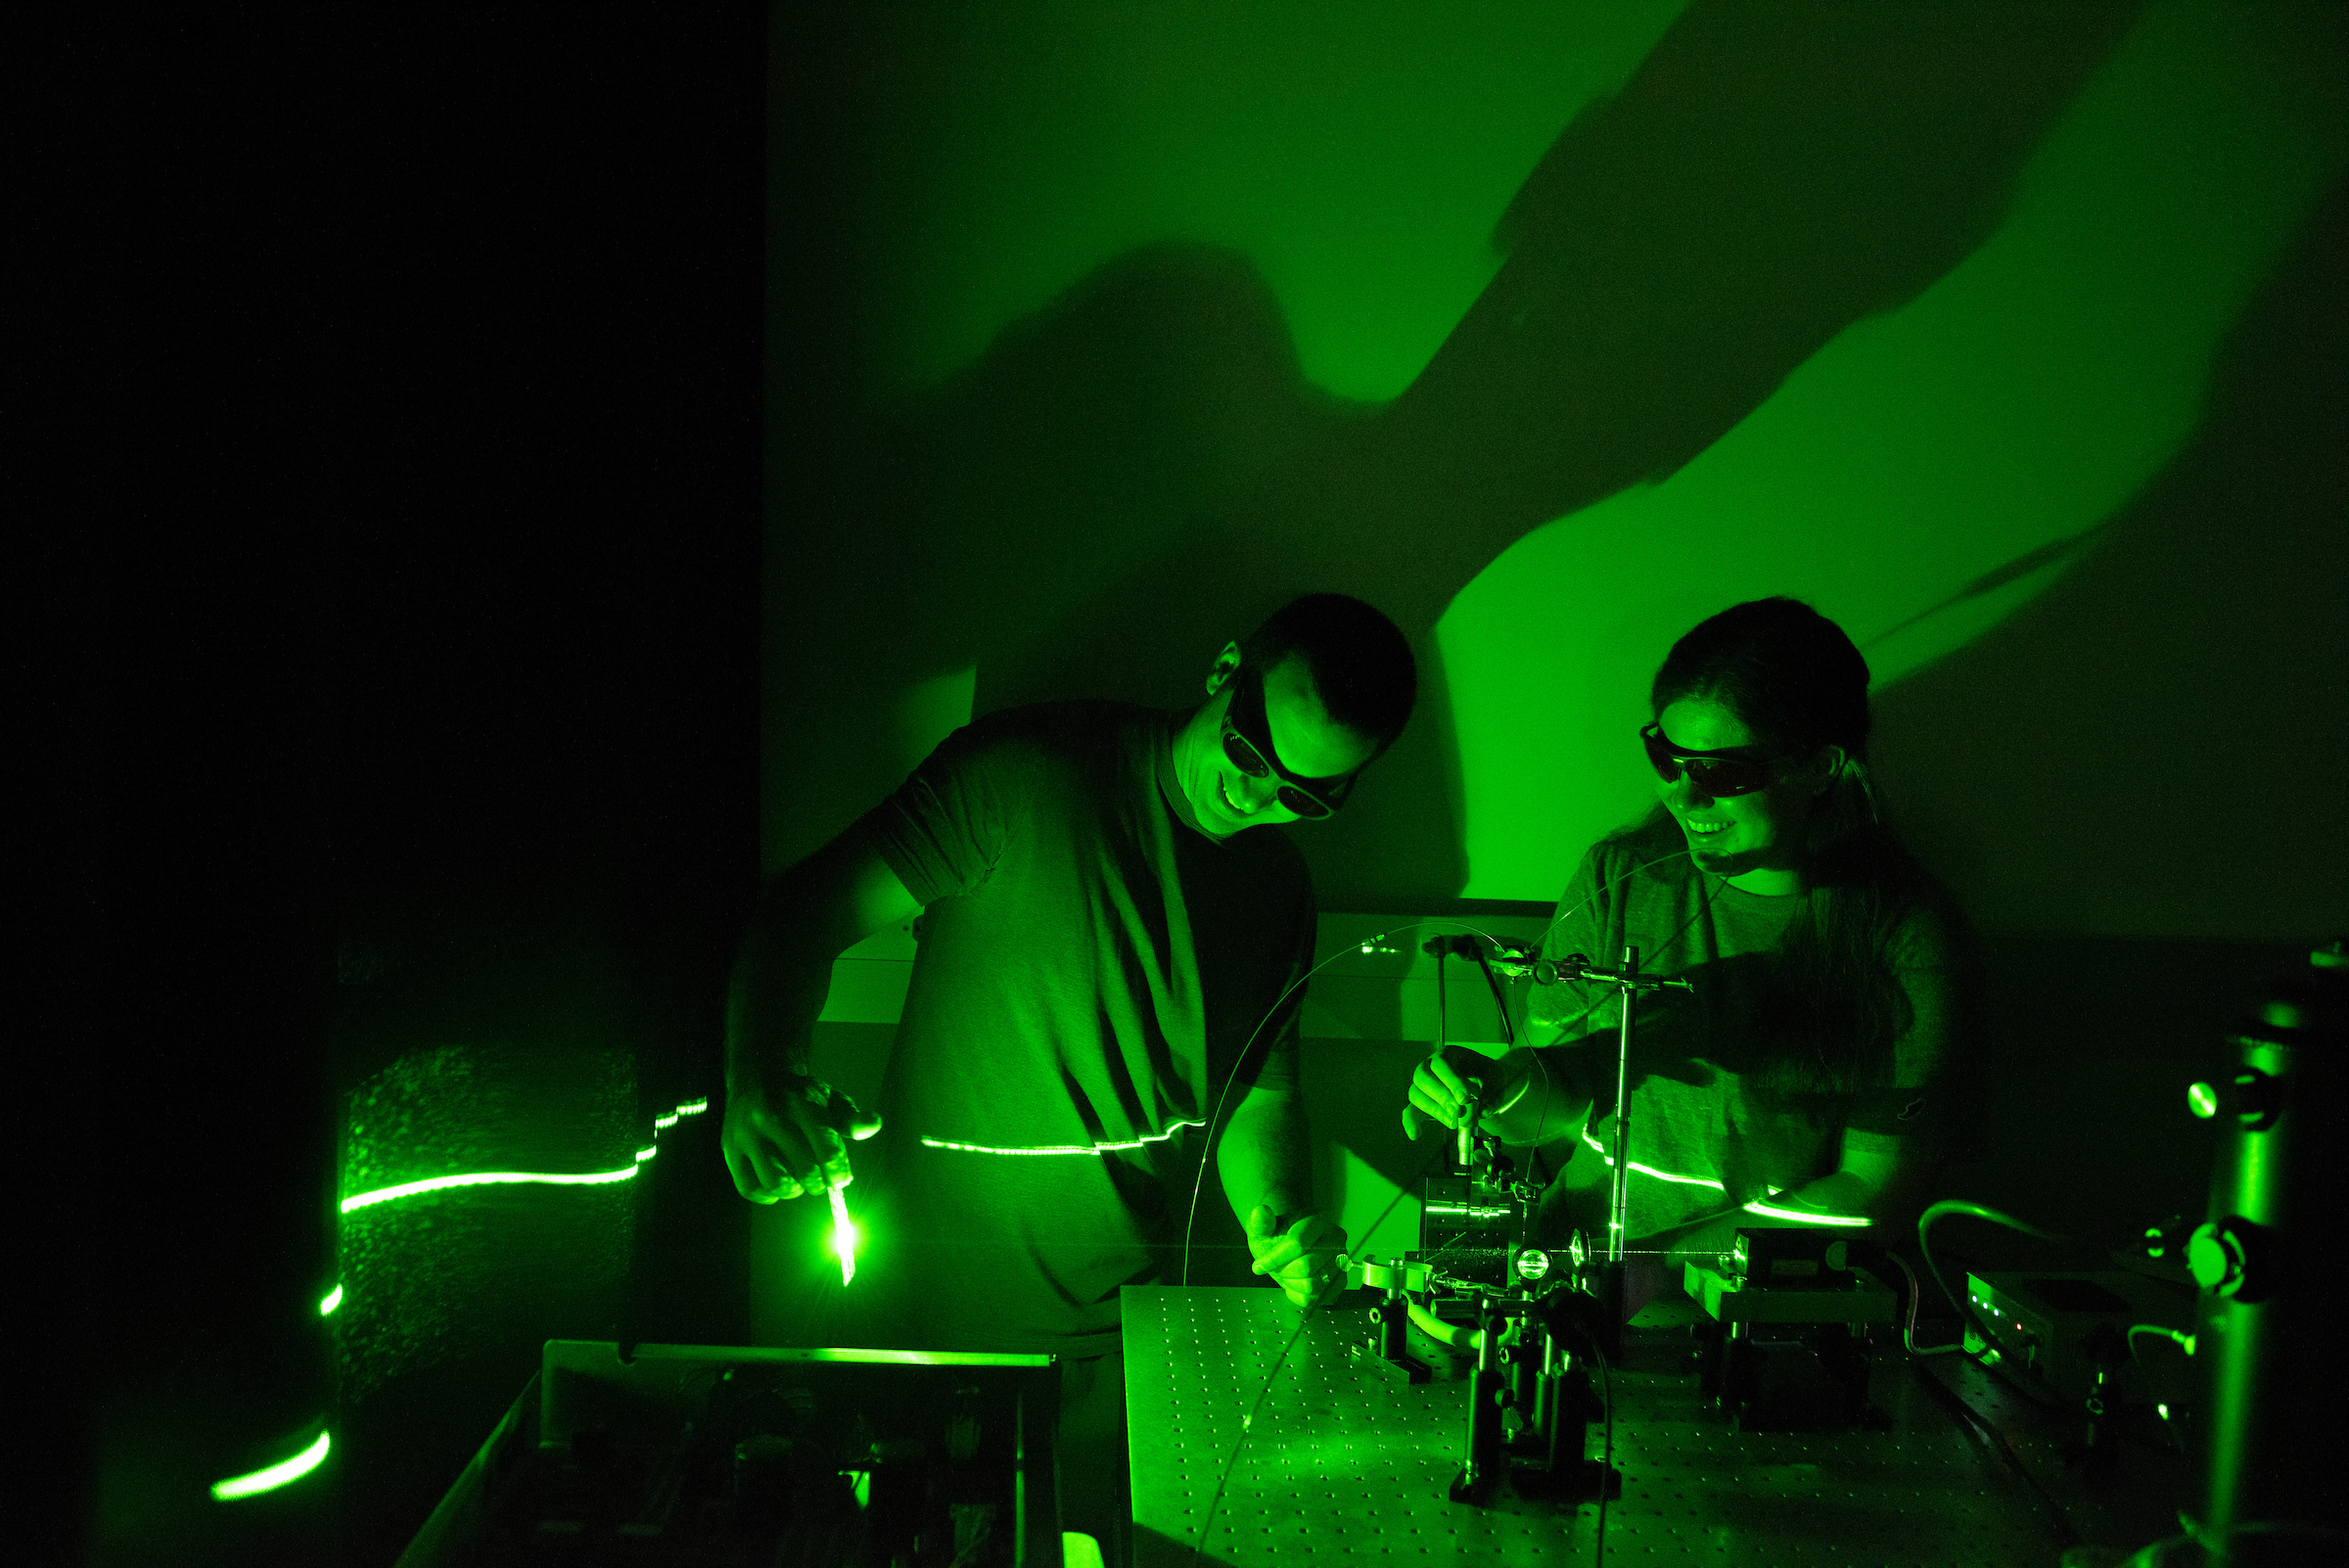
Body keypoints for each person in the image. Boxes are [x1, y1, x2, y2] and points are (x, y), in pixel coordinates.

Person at [722, 591, 1417, 1556]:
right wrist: (761, 1074)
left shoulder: (1275, 890)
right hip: (923, 1329)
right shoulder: (1022, 779)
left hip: (1124, 1352)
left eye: (1306, 794)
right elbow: (803, 913)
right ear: (1225, 674)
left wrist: (1279, 1221)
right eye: (1252, 751)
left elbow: (1256, 1093)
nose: (1255, 796)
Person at [1405, 597, 1972, 1316]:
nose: (1680, 792)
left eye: (1723, 772)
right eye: (1665, 756)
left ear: (1820, 767)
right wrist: (1496, 1092)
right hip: (1573, 1291)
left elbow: (1872, 1198)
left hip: (1754, 1312)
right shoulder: (1621, 879)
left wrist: (1656, 1266)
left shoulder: (1905, 938)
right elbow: (1560, 1112)